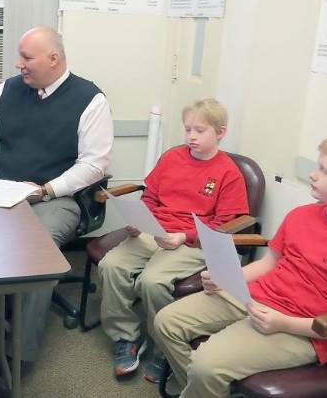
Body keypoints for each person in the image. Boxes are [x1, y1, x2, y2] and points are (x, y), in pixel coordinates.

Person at [154, 132, 327, 398]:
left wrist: (284, 323)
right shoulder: (301, 215)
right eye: (317, 166)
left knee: (206, 364)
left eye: (325, 172)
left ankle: (203, 386)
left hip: (303, 329)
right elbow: (269, 264)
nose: (313, 174)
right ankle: (201, 390)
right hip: (256, 299)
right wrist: (227, 277)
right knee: (166, 322)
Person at [0, 26, 113, 397]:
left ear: (54, 59)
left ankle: (15, 358)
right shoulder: (8, 89)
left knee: (37, 254)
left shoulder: (89, 99)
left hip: (55, 198)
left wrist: (47, 190)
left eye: (27, 57)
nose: (19, 65)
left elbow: (95, 164)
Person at [97, 98, 249, 382]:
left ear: (220, 132)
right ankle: (126, 337)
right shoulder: (172, 157)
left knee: (152, 281)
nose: (191, 136)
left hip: (194, 242)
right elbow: (151, 196)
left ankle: (161, 348)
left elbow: (225, 225)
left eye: (199, 130)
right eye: (188, 129)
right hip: (154, 231)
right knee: (111, 266)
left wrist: (184, 236)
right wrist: (139, 221)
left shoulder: (228, 173)